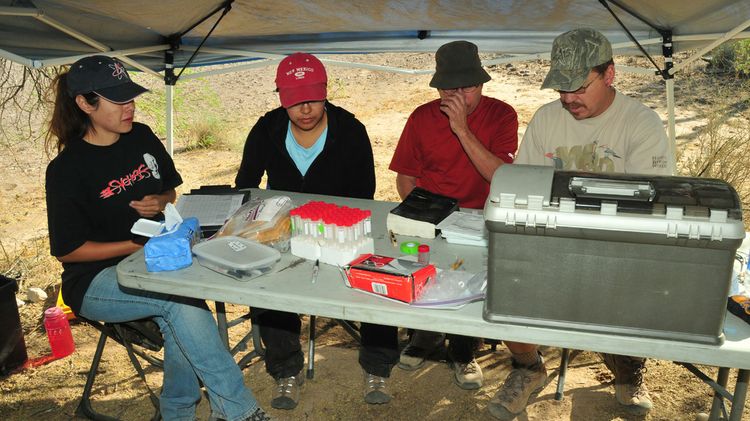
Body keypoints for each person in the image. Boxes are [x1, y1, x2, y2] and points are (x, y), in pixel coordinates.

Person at [44, 56, 272, 421]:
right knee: (179, 304)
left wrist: (161, 201)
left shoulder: (141, 136)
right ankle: (238, 411)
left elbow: (170, 193)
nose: (130, 106)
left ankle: (178, 413)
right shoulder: (66, 170)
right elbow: (70, 251)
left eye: (130, 97)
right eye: (118, 101)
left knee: (185, 307)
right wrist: (134, 247)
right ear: (85, 103)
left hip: (158, 258)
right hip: (97, 279)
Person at [487, 28, 675, 421]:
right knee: (505, 282)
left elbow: (651, 208)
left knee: (633, 283)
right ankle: (527, 367)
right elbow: (525, 186)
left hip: (618, 246)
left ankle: (625, 365)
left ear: (609, 75)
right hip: (553, 242)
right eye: (561, 89)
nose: (569, 99)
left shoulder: (640, 124)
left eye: (578, 87)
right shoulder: (546, 119)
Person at [235, 53, 399, 408]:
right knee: (267, 284)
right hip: (285, 231)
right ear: (281, 98)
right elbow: (246, 187)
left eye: (312, 98)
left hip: (342, 228)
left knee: (375, 278)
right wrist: (269, 226)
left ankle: (378, 366)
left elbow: (365, 195)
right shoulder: (267, 129)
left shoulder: (351, 130)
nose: (304, 109)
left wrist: (336, 231)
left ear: (325, 92)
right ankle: (286, 370)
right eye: (294, 101)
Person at [388, 40, 518, 389]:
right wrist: (421, 216)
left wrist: (461, 127)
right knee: (422, 271)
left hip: (480, 217)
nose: (458, 95)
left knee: (471, 281)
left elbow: (500, 176)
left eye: (467, 87)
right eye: (449, 88)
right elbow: (406, 176)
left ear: (482, 84)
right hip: (430, 214)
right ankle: (425, 337)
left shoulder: (502, 115)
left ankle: (463, 350)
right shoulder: (421, 117)